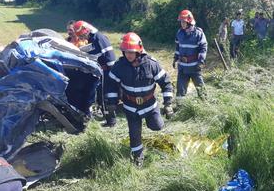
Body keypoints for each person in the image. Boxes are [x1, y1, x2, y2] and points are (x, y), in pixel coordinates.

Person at [105, 32, 173, 167]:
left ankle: (154, 121)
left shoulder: (151, 64)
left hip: (150, 106)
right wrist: (112, 103)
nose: (128, 55)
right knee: (134, 134)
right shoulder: (119, 67)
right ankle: (138, 157)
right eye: (125, 52)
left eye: (131, 52)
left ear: (139, 51)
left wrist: (168, 103)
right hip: (131, 108)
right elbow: (111, 85)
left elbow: (166, 83)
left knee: (157, 126)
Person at [73, 20, 117, 127]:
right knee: (100, 96)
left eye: (83, 35)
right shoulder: (94, 38)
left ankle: (111, 121)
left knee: (104, 96)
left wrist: (109, 74)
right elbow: (94, 49)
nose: (83, 38)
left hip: (107, 72)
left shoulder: (99, 38)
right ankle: (108, 119)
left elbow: (109, 57)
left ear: (87, 30)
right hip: (102, 71)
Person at [172, 9, 207, 107]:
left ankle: (205, 105)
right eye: (181, 22)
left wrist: (201, 61)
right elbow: (178, 47)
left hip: (195, 67)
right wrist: (175, 58)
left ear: (189, 21)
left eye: (184, 22)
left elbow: (203, 48)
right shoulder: (179, 33)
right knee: (180, 88)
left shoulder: (198, 33)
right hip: (183, 67)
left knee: (200, 87)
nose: (182, 24)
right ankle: (180, 107)